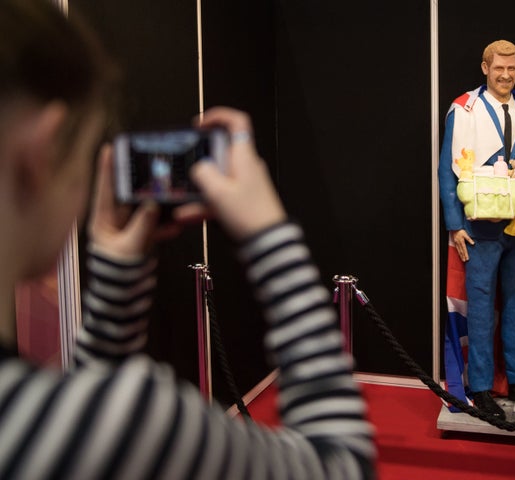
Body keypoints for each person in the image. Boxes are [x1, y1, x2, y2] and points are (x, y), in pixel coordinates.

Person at [0, 1, 376, 478]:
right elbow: (344, 466)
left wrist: (115, 283)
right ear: (43, 151)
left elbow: (82, 428)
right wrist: (270, 235)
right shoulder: (134, 421)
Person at [438, 39, 515, 420]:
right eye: (499, 68)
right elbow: (445, 171)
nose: (505, 75)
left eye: (512, 68)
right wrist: (453, 224)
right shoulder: (463, 107)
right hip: (478, 226)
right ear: (485, 67)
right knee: (481, 308)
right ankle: (480, 386)